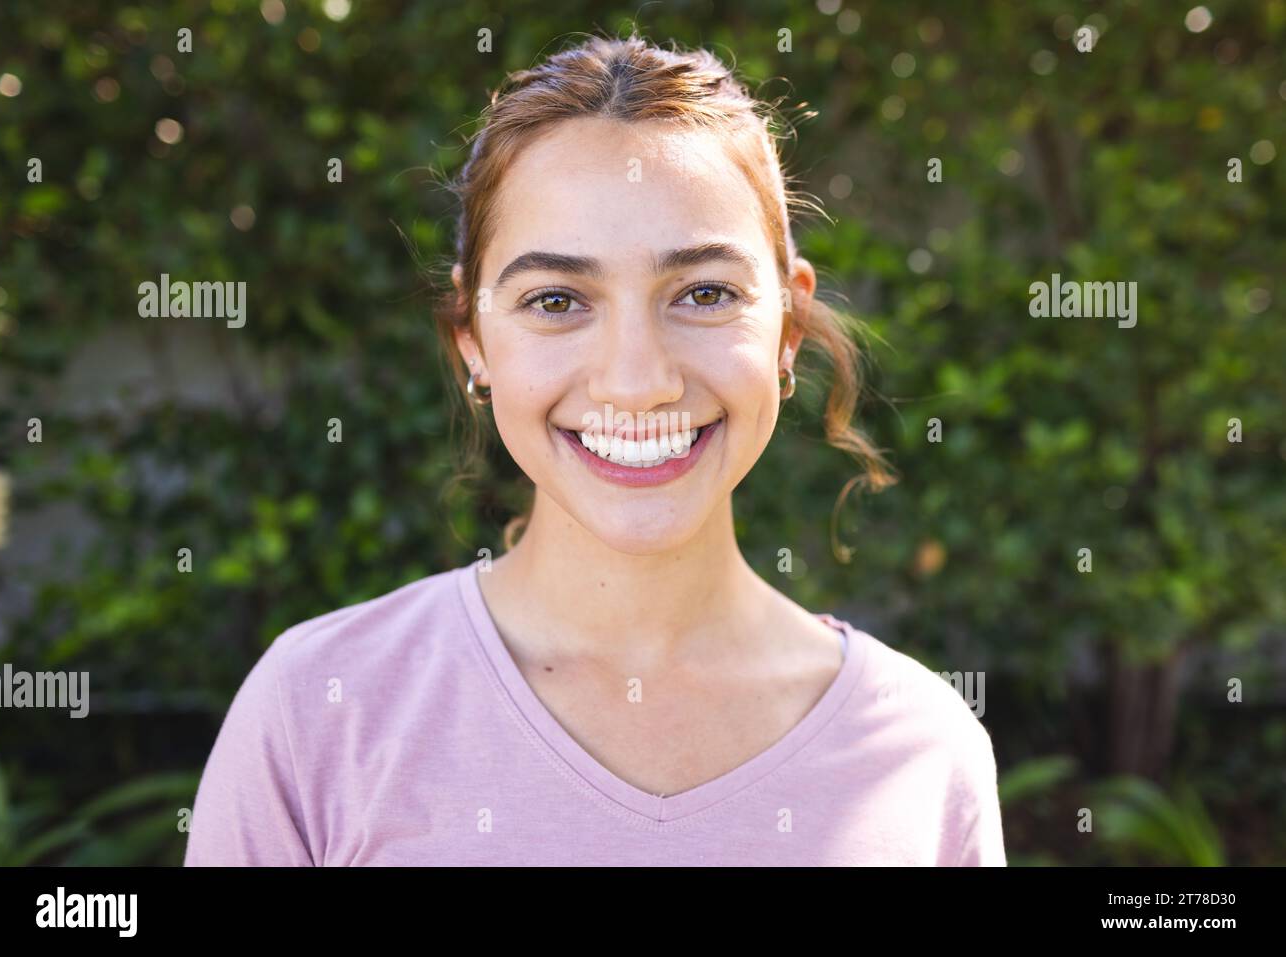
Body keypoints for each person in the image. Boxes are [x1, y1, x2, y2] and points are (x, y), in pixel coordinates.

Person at [184, 32, 1005, 866]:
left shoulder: (923, 750)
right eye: (556, 300)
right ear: (472, 336)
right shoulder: (320, 710)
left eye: (705, 293)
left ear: (788, 328)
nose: (636, 380)